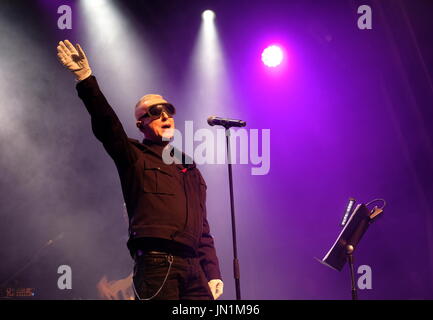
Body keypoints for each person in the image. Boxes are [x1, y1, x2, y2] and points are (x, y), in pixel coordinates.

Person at [56, 39, 223, 300]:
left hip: (194, 270)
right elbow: (107, 125)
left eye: (168, 110)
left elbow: (203, 227)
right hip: (158, 264)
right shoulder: (134, 155)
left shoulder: (189, 167)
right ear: (141, 124)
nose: (166, 115)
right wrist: (86, 79)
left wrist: (212, 272)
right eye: (155, 112)